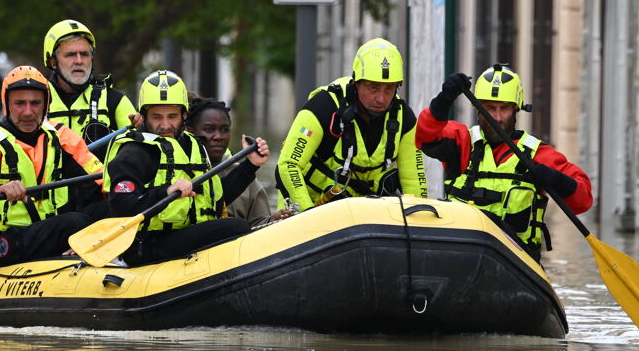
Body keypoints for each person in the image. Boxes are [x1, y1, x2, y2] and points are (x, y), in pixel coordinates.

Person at [414, 64, 593, 261]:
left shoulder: (537, 155)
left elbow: (583, 200)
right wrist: (443, 101)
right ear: (478, 109)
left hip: (516, 260)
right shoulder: (461, 141)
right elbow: (424, 136)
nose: (497, 117)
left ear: (515, 109)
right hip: (461, 256)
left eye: (504, 109)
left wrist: (555, 179)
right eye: (489, 108)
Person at [0, 66, 105, 270]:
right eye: (20, 103)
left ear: (46, 105)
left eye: (35, 103)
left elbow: (104, 183)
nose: (28, 112)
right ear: (7, 105)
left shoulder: (63, 138)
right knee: (74, 223)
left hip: (44, 235)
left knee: (107, 208)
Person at [103, 70, 270, 265]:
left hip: (181, 235)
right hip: (145, 245)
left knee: (231, 226)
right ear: (144, 116)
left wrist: (250, 165)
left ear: (184, 116)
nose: (165, 125)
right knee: (236, 227)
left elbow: (215, 198)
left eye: (172, 116)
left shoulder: (192, 145)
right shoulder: (133, 153)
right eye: (156, 117)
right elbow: (122, 208)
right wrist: (165, 192)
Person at [275, 38, 428, 212]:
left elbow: (414, 181)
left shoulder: (404, 118)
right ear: (356, 83)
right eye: (373, 88)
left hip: (363, 214)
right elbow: (288, 165)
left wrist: (419, 218)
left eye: (389, 89)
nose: (381, 98)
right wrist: (307, 213)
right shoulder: (323, 107)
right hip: (310, 203)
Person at [185, 96, 293, 227]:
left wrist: (274, 219)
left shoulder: (247, 178)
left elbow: (259, 224)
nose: (218, 137)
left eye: (224, 130)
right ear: (190, 132)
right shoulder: (181, 173)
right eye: (209, 129)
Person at [43, 20, 137, 147]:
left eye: (84, 54)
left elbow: (139, 154)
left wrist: (141, 127)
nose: (79, 61)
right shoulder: (36, 101)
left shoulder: (114, 100)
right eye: (70, 55)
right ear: (53, 62)